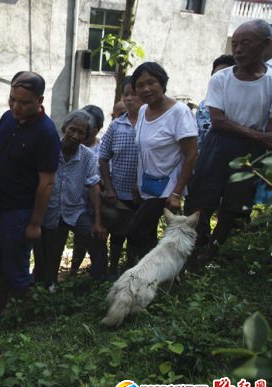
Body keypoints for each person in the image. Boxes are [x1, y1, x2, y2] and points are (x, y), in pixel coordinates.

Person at [186, 20, 272, 257]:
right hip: (218, 143)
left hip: (250, 152)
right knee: (202, 197)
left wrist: (263, 141)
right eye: (235, 44)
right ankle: (195, 246)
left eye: (246, 43)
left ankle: (213, 250)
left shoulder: (271, 81)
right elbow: (218, 121)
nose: (238, 49)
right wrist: (259, 136)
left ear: (266, 44)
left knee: (235, 203)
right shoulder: (221, 79)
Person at [0, 71, 60, 321]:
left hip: (19, 212)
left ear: (39, 100)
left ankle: (17, 314)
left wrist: (35, 223)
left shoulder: (46, 133)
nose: (16, 106)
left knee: (16, 265)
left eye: (24, 102)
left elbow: (47, 183)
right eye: (12, 99)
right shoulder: (7, 119)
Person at [128, 62, 198, 264]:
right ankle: (156, 278)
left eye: (151, 82)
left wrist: (177, 192)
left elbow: (191, 155)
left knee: (136, 230)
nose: (146, 89)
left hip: (167, 188)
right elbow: (144, 150)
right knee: (147, 234)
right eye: (140, 85)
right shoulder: (143, 111)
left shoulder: (179, 112)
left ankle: (140, 274)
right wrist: (137, 182)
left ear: (163, 83)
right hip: (147, 184)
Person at [34, 111, 108, 290]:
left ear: (86, 136)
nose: (75, 136)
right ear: (64, 128)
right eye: (72, 130)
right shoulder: (50, 150)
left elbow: (94, 186)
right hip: (51, 211)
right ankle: (50, 286)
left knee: (96, 242)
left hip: (75, 210)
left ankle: (96, 284)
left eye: (81, 133)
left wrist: (97, 222)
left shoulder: (88, 156)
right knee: (51, 254)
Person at [99, 76, 142, 274]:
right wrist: (108, 187)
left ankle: (132, 270)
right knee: (117, 234)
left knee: (139, 234)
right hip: (118, 194)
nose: (130, 98)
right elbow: (103, 157)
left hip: (144, 194)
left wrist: (140, 182)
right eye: (126, 94)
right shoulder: (116, 126)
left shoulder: (150, 122)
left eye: (134, 93)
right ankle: (113, 269)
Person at [69, 104, 104, 275]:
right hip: (65, 207)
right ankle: (70, 273)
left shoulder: (96, 152)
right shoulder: (61, 148)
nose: (77, 134)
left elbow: (96, 183)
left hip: (87, 207)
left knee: (92, 241)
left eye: (83, 129)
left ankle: (96, 278)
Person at [195, 55, 236, 148]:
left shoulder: (241, 106)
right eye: (216, 75)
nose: (220, 80)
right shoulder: (204, 106)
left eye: (225, 76)